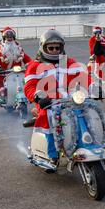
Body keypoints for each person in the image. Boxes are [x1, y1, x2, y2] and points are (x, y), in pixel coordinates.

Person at [24, 29, 87, 166]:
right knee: (50, 117)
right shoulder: (35, 65)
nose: (54, 50)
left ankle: (88, 144)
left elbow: (84, 78)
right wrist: (39, 98)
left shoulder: (69, 62)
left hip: (70, 100)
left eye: (57, 48)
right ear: (43, 47)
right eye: (50, 48)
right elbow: (29, 86)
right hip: (48, 103)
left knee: (87, 113)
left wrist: (95, 88)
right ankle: (53, 154)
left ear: (62, 48)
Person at [0, 27, 31, 95]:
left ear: (14, 38)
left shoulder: (18, 49)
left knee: (27, 83)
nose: (9, 39)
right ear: (4, 38)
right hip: (4, 73)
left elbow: (26, 58)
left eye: (11, 37)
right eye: (7, 37)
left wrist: (30, 65)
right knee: (0, 85)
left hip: (18, 72)